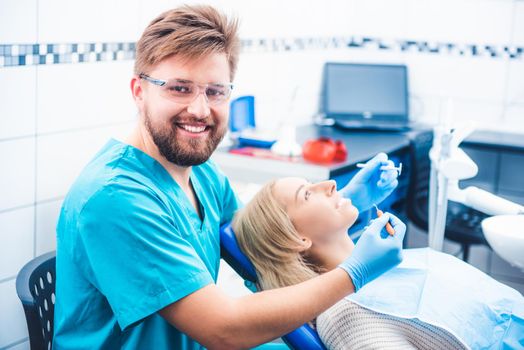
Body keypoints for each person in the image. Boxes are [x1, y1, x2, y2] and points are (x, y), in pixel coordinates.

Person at [53, 5, 404, 349]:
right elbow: (224, 330)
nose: (200, 110)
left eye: (215, 91)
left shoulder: (202, 173)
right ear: (139, 91)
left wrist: (343, 206)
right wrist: (353, 273)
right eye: (179, 88)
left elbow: (259, 243)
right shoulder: (115, 198)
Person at [232, 177, 524, 350]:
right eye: (308, 194)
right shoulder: (343, 315)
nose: (332, 184)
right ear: (297, 238)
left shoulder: (385, 261)